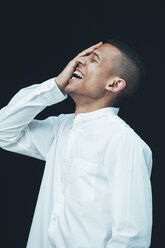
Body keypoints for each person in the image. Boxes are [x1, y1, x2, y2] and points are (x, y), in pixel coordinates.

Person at [0, 40, 153, 248]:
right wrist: (54, 87)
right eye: (83, 56)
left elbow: (131, 237)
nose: (79, 61)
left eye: (93, 59)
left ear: (115, 84)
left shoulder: (124, 142)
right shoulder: (60, 128)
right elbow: (3, 130)